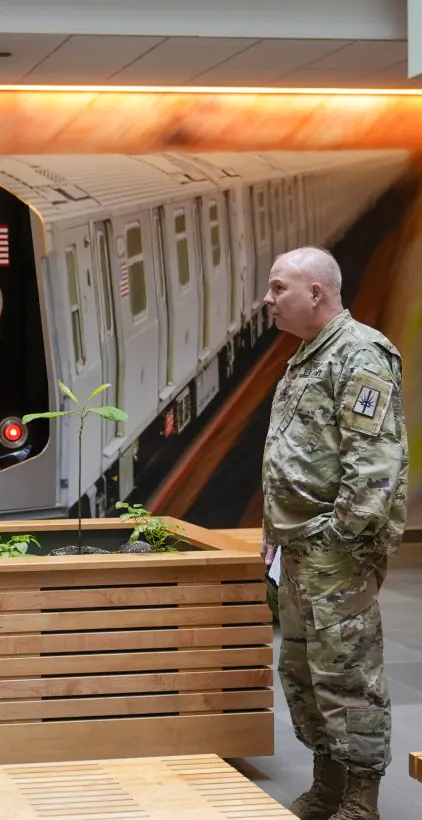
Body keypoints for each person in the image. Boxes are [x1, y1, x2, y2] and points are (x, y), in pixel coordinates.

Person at [260, 246, 407, 820]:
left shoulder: (361, 354)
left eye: (278, 289)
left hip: (333, 554)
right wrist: (274, 533)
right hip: (296, 550)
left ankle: (360, 799)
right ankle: (328, 783)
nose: (268, 300)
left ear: (315, 292)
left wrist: (337, 539)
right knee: (301, 672)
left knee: (347, 674)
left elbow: (373, 466)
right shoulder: (305, 357)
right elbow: (291, 458)